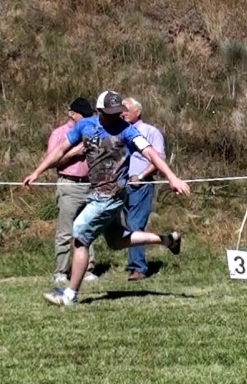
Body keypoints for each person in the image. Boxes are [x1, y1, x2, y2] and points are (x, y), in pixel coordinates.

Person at [22, 90, 191, 307]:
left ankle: (69, 295)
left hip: (110, 196)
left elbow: (150, 153)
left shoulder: (127, 132)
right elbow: (60, 150)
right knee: (117, 240)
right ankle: (167, 239)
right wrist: (37, 172)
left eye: (117, 111)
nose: (115, 116)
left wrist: (172, 177)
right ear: (99, 111)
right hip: (97, 194)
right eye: (110, 112)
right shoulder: (85, 126)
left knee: (80, 236)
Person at [47, 97, 98, 284]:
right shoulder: (59, 134)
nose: (86, 118)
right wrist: (75, 153)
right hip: (69, 185)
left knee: (87, 228)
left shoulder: (91, 131)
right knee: (65, 231)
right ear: (72, 114)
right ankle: (60, 271)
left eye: (88, 115)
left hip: (90, 185)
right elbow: (53, 161)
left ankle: (87, 269)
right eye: (82, 115)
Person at [120, 97, 166, 281]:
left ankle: (138, 268)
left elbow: (159, 159)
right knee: (126, 225)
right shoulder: (120, 132)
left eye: (126, 110)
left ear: (137, 112)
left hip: (142, 185)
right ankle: (135, 264)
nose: (122, 113)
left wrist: (140, 176)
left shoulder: (150, 132)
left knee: (134, 224)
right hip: (122, 185)